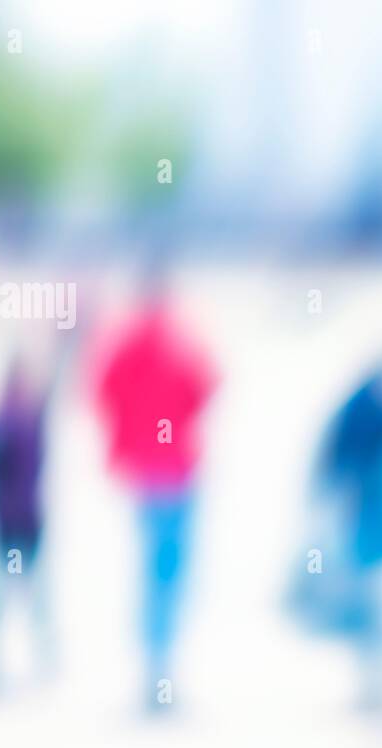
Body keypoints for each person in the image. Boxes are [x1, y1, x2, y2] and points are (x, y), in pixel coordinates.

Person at [93, 289, 216, 712]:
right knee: (170, 573)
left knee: (153, 570)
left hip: (146, 472)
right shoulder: (178, 346)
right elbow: (206, 388)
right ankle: (160, 673)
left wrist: (125, 438)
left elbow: (102, 391)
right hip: (177, 471)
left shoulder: (125, 346)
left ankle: (154, 672)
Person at [290, 360, 382, 713]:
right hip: (369, 517)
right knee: (375, 601)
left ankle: (381, 683)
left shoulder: (368, 407)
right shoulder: (371, 409)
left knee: (381, 602)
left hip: (375, 517)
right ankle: (378, 684)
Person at [0, 361, 52, 693]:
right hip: (13, 520)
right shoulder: (9, 423)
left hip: (22, 519)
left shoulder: (27, 421)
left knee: (28, 591)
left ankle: (41, 653)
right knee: (6, 590)